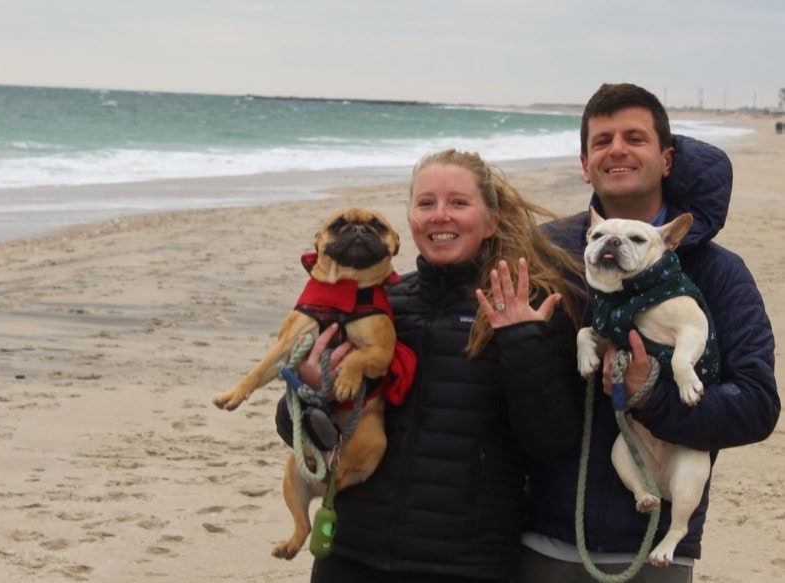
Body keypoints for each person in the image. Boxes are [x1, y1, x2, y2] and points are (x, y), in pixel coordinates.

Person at [277, 148, 587, 582]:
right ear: (409, 220)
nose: (440, 216)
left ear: (491, 221)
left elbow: (551, 442)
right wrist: (314, 391)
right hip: (351, 553)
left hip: (465, 563)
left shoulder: (525, 309)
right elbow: (292, 429)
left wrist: (521, 342)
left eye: (458, 203)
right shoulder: (378, 306)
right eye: (426, 204)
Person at [517, 83, 780, 583]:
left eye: (634, 137)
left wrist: (654, 398)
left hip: (653, 540)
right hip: (541, 532)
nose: (616, 149)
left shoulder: (719, 273)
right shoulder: (547, 252)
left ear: (666, 159)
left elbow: (757, 406)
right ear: (584, 162)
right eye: (602, 141)